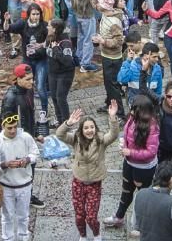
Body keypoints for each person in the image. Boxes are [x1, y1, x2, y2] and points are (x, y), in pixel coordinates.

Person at [57, 102, 120, 241]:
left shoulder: (101, 139)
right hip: (78, 182)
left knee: (91, 216)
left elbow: (114, 134)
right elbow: (59, 134)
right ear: (81, 130)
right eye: (86, 128)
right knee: (79, 215)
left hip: (94, 184)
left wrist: (112, 117)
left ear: (95, 128)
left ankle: (96, 234)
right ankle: (83, 236)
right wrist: (68, 123)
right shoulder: (75, 139)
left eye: (92, 127)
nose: (89, 130)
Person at [104, 94, 160, 230]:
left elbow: (151, 152)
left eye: (134, 108)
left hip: (144, 168)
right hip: (129, 164)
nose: (132, 111)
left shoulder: (152, 127)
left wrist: (131, 152)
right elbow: (125, 133)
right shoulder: (131, 118)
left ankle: (142, 225)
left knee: (143, 196)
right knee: (126, 191)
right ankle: (119, 216)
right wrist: (123, 144)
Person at [0, 112, 39, 241]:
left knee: (23, 215)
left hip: (24, 184)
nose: (13, 131)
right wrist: (5, 164)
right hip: (6, 185)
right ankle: (7, 238)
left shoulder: (26, 137)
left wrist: (27, 160)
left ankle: (24, 237)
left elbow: (35, 153)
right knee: (7, 216)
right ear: (3, 126)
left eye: (15, 127)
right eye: (9, 128)